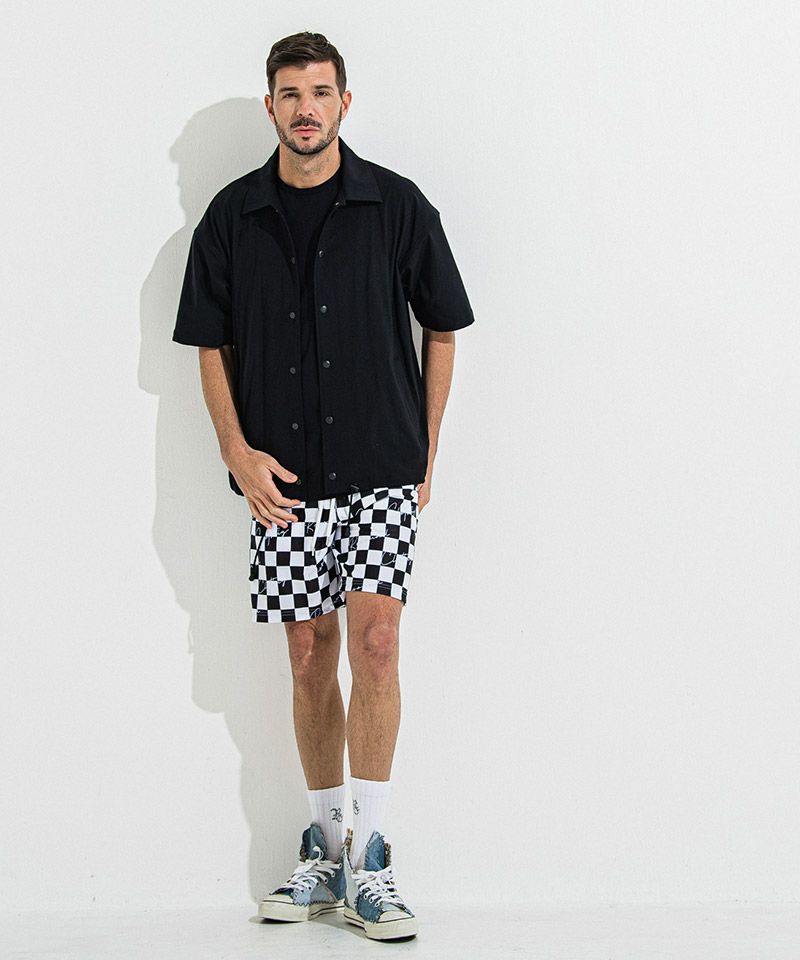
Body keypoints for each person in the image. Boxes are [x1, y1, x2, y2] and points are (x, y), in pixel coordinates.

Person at [172, 31, 475, 941]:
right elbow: (210, 344)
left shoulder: (398, 206)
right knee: (309, 654)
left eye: (320, 91)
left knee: (376, 643)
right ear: (270, 105)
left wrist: (427, 447)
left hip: (381, 465)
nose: (306, 108)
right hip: (285, 479)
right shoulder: (233, 216)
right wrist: (235, 450)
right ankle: (325, 846)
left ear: (346, 101)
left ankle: (372, 859)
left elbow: (443, 328)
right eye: (290, 93)